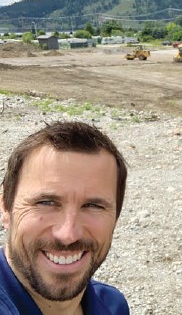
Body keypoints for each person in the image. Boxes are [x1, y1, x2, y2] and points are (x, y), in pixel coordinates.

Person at [0, 121, 130, 315]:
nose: (68, 235)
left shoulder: (112, 305)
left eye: (93, 206)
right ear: (5, 207)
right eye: (46, 202)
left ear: (116, 217)